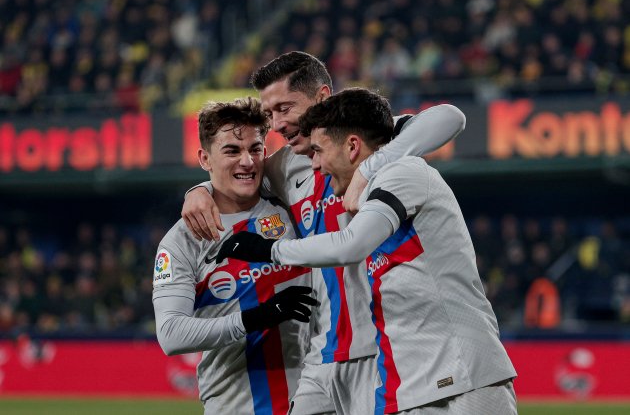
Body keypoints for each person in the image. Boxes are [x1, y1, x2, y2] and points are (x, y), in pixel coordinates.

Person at [182, 51, 466, 414]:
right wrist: (199, 191)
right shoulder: (282, 168)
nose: (277, 123)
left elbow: (449, 118)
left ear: (321, 96)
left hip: (380, 349)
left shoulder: (366, 143)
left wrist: (371, 167)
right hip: (322, 354)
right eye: (270, 114)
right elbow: (235, 174)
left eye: (285, 108)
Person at [217, 88, 518, 414]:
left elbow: (352, 244)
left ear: (352, 146)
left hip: (463, 378)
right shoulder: (376, 189)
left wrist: (269, 249)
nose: (315, 165)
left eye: (319, 151)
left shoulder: (403, 173)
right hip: (410, 385)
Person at [152, 97, 318, 414]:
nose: (247, 161)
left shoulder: (290, 203)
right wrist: (257, 317)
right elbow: (171, 335)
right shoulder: (181, 241)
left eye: (255, 149)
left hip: (316, 398)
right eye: (232, 151)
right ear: (204, 158)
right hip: (236, 405)